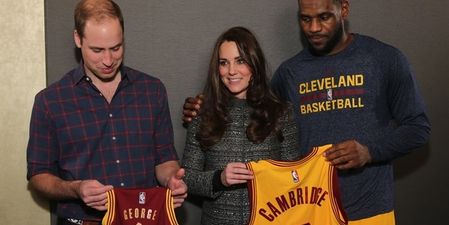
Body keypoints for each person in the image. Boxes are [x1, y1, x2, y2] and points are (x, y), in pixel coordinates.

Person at [182, 0, 431, 224]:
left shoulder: (384, 59)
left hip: (369, 209)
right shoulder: (290, 72)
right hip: (309, 211)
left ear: (343, 9)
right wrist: (204, 107)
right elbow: (252, 104)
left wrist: (369, 152)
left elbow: (418, 129)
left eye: (324, 17)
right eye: (305, 18)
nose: (313, 28)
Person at [26, 1, 187, 224]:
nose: (108, 60)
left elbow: (164, 159)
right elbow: (38, 175)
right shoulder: (50, 101)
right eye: (97, 50)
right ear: (77, 39)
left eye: (116, 48)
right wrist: (75, 189)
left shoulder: (152, 90)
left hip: (143, 218)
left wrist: (172, 180)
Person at [181, 26, 300, 225]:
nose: (232, 71)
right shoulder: (202, 113)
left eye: (240, 61)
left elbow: (295, 177)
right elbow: (187, 178)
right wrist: (220, 179)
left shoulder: (282, 113)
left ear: (254, 63)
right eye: (224, 63)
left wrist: (271, 176)